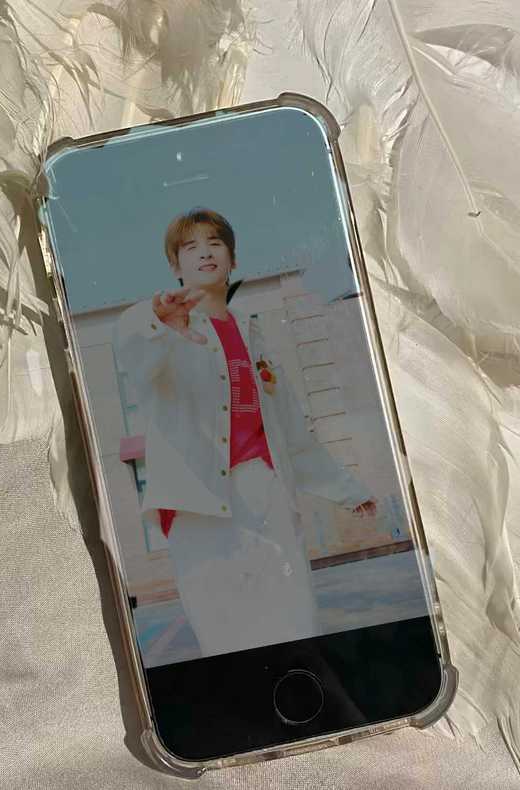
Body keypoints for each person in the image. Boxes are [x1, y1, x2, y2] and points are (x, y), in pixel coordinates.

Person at [114, 208, 376, 658]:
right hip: (199, 505)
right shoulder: (161, 326)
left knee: (294, 620)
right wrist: (158, 322)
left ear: (232, 259)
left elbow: (292, 431)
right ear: (175, 267)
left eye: (215, 243)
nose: (205, 253)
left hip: (265, 490)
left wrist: (346, 489)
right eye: (190, 247)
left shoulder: (252, 332)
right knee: (226, 635)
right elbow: (133, 351)